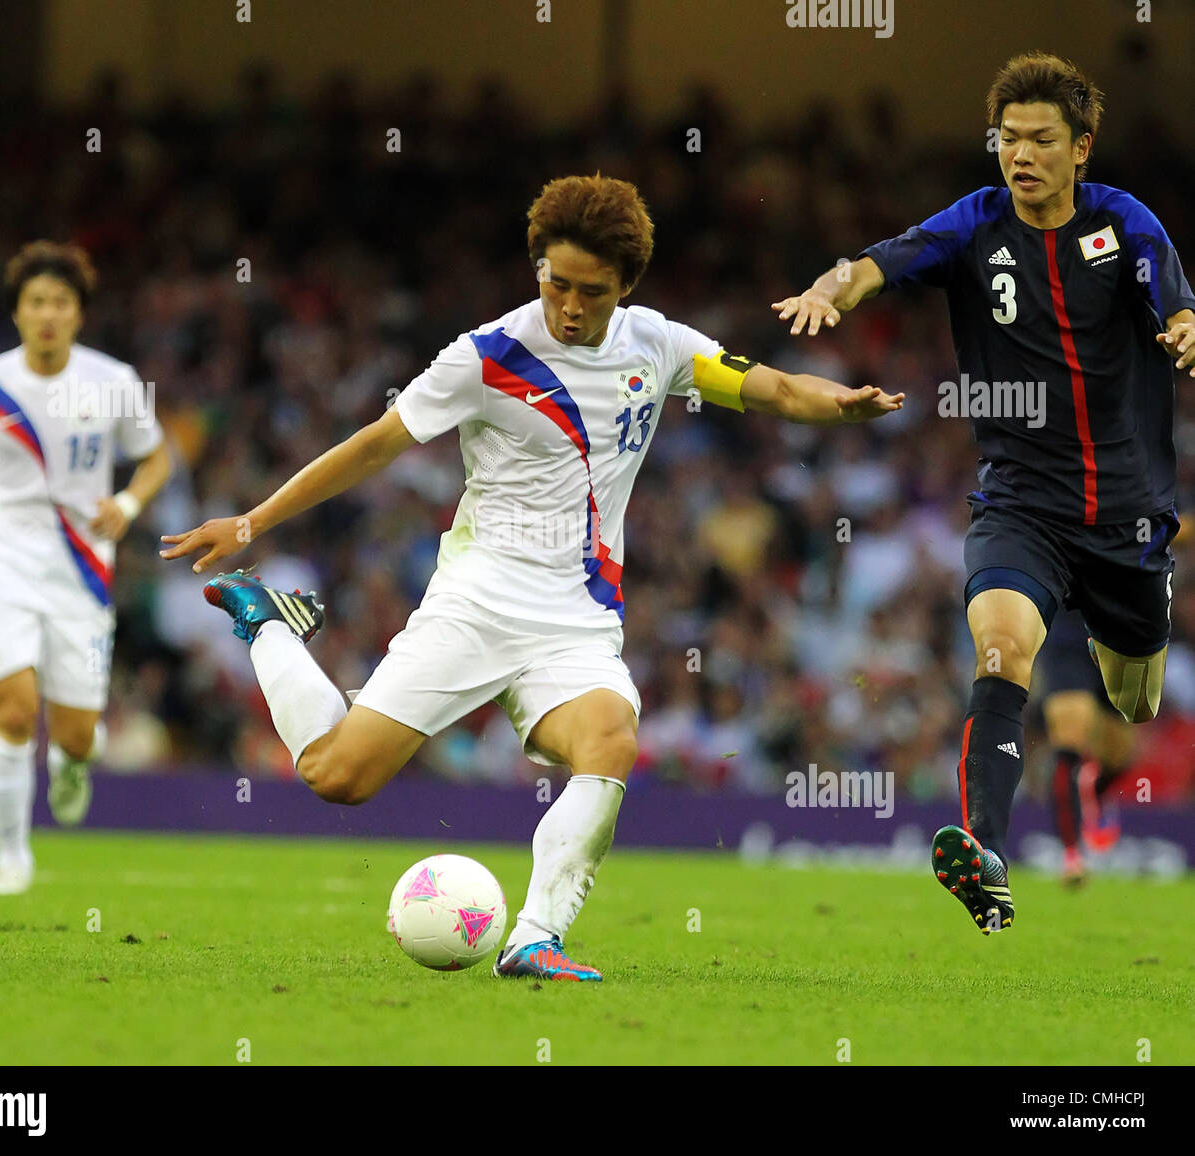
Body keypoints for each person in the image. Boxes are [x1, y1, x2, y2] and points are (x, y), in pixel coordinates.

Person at [161, 174, 903, 981]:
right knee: (337, 777)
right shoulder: (485, 357)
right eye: (556, 284)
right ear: (536, 269)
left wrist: (842, 404)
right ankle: (267, 621)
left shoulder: (658, 344)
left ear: (626, 288)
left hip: (577, 623)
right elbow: (376, 444)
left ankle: (534, 937)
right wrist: (252, 522)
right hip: (475, 605)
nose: (571, 307)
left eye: (594, 292)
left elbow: (778, 388)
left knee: (611, 737)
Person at [773, 52, 1195, 933]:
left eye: (1043, 140)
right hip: (1021, 506)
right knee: (1002, 652)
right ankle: (988, 854)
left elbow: (1173, 303)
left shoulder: (1124, 225)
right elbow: (877, 263)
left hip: (1127, 518)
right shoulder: (975, 225)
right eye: (1008, 141)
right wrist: (831, 287)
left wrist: (1186, 327)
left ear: (1082, 148)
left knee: (1134, 703)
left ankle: (1094, 789)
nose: (1022, 156)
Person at [0, 242, 172, 893]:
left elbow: (157, 456)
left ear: (78, 314)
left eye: (60, 302)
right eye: (36, 303)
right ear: (18, 313)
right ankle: (12, 858)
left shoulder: (113, 381)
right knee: (15, 709)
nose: (48, 314)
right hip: (3, 566)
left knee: (79, 734)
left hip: (81, 573)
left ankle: (72, 763)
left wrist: (130, 501)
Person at [1038, 608, 1129, 886]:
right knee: (1069, 743)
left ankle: (1092, 788)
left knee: (1120, 751)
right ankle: (1071, 854)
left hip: (1118, 632)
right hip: (1068, 633)